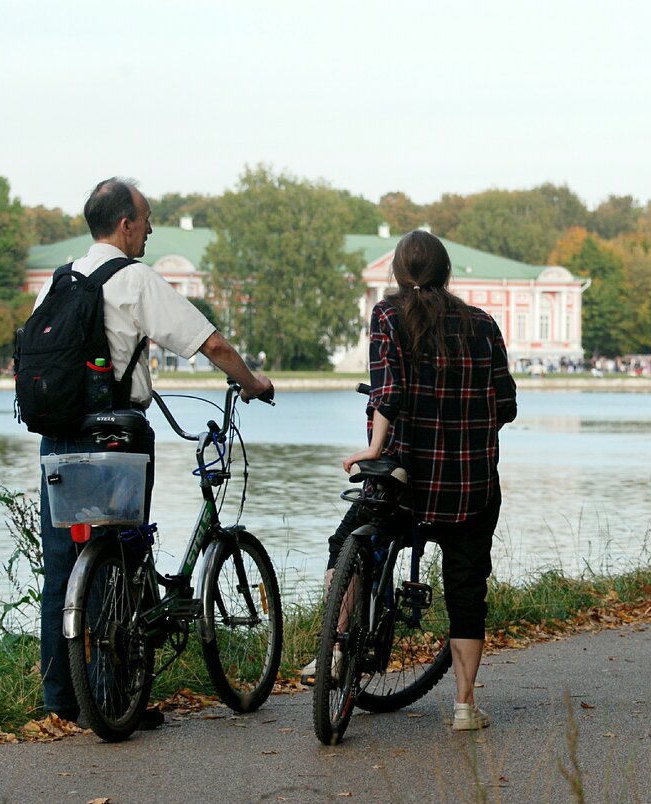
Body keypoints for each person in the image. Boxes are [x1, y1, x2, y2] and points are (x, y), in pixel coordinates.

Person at [33, 177, 272, 728]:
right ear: (124, 225)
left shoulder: (62, 278)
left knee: (62, 567)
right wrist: (252, 382)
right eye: (145, 220)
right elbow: (210, 343)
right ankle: (115, 697)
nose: (149, 229)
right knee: (120, 562)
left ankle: (62, 700)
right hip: (116, 439)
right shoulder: (133, 278)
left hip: (58, 437)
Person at [322, 230, 516, 731]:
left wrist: (373, 449)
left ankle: (335, 648)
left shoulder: (388, 315)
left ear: (397, 275)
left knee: (347, 543)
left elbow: (388, 390)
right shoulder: (483, 324)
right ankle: (466, 707)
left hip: (403, 477)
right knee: (467, 589)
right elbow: (508, 405)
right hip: (469, 483)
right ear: (447, 273)